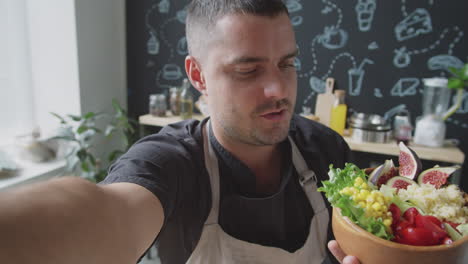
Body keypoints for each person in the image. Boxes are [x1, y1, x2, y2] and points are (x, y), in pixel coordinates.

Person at [0, 0, 360, 263]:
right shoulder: (170, 163)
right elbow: (104, 213)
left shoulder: (325, 149)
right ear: (198, 76)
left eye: (287, 64)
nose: (278, 90)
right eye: (248, 71)